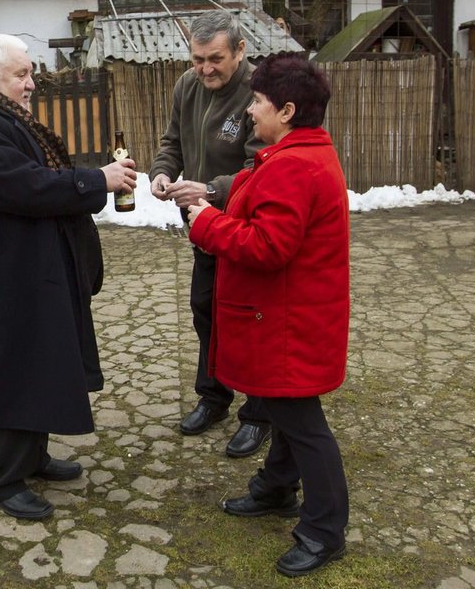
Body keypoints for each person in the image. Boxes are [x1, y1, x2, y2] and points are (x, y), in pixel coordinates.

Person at [0, 33, 137, 520]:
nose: (31, 85)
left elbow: (33, 176)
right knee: (8, 369)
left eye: (31, 74)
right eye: (21, 75)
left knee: (39, 362)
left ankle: (33, 457)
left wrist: (88, 178)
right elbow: (25, 186)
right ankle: (2, 479)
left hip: (25, 265)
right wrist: (98, 180)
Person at [186, 53, 350, 578]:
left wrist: (208, 223)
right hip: (288, 315)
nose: (251, 111)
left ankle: (324, 532)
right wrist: (215, 196)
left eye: (258, 102)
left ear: (288, 110)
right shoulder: (296, 154)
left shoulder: (295, 164)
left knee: (304, 425)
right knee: (283, 411)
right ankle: (276, 489)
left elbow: (267, 246)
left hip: (288, 324)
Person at [149, 9, 271, 458]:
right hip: (204, 228)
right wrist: (162, 174)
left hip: (245, 229)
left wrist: (211, 189)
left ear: (240, 50)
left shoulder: (261, 93)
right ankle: (214, 396)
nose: (204, 69)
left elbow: (262, 168)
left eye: (214, 59)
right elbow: (172, 142)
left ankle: (260, 414)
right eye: (197, 59)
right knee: (205, 309)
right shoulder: (187, 86)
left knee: (249, 320)